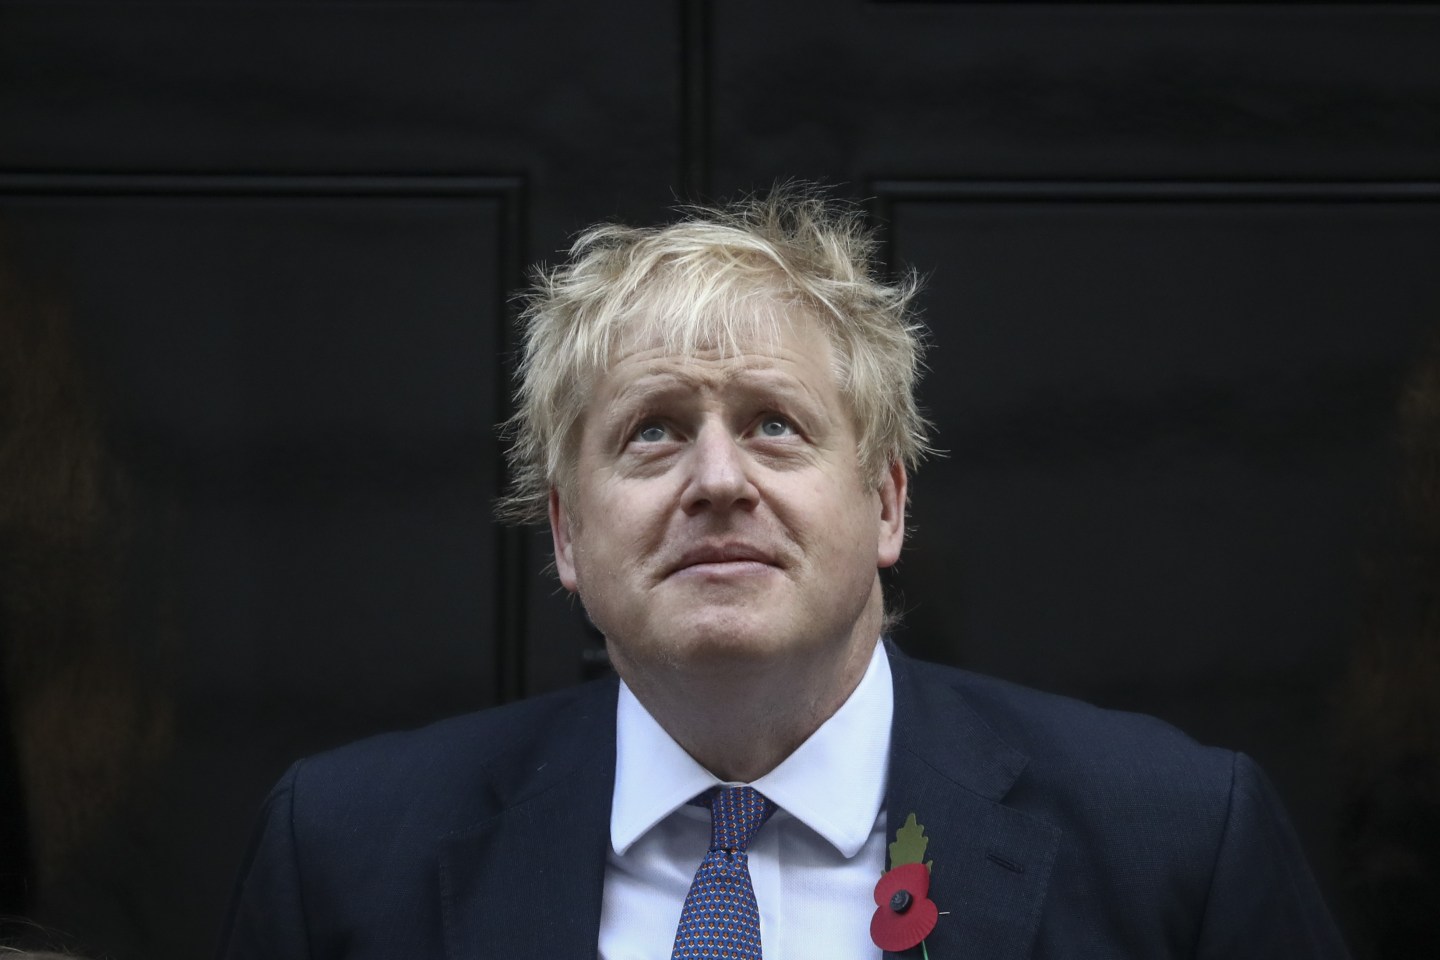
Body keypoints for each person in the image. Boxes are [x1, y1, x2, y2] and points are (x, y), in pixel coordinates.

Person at [219, 188, 1350, 958]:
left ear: (889, 502)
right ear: (565, 533)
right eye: (652, 433)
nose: (717, 480)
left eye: (774, 425)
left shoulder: (1176, 841)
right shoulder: (348, 857)